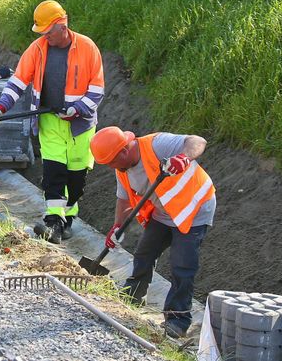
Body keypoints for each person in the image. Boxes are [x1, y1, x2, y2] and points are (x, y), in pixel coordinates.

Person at [0, 0, 104, 243]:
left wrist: (76, 109)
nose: (44, 36)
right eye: (41, 32)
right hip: (49, 122)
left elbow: (97, 90)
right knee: (53, 174)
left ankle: (67, 219)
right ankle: (53, 223)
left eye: (47, 32)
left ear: (62, 26)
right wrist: (0, 107)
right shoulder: (37, 49)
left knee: (76, 179)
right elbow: (18, 82)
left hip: (80, 127)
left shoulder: (87, 48)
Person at [89, 125, 217, 339]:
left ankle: (178, 318)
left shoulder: (157, 144)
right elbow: (123, 199)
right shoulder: (122, 169)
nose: (110, 166)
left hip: (194, 209)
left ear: (123, 151)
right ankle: (133, 294)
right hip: (164, 213)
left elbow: (198, 140)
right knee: (144, 253)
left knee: (182, 265)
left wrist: (183, 158)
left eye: (111, 161)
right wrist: (117, 226)